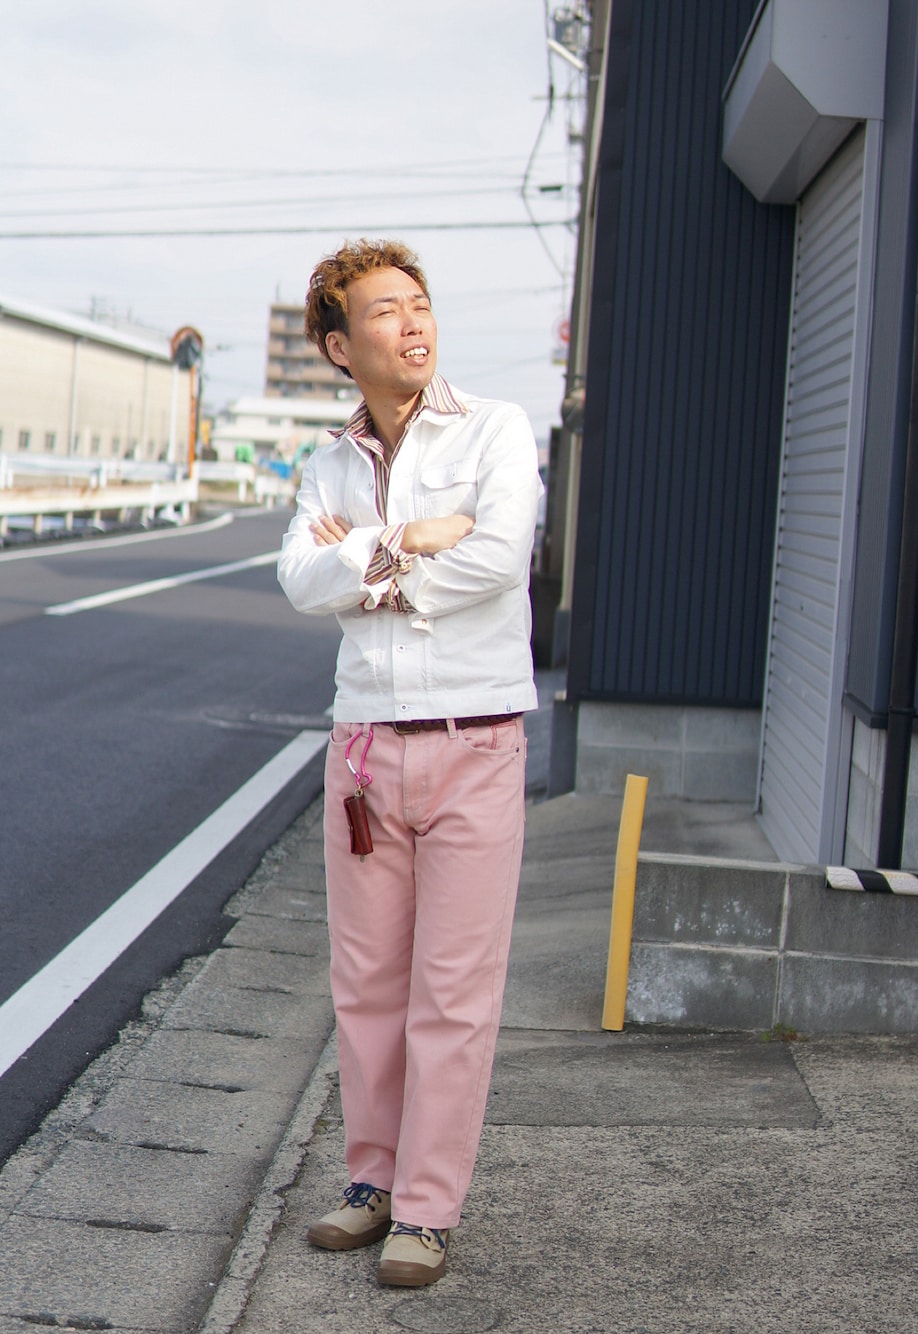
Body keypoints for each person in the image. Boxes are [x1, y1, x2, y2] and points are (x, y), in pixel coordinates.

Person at [277, 238, 541, 1288]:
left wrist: (364, 561)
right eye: (385, 311)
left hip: (475, 738)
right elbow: (300, 580)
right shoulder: (329, 463)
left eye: (419, 302)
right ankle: (370, 1182)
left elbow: (499, 557)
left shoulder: (495, 427)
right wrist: (408, 540)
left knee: (454, 993)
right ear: (341, 346)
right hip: (363, 748)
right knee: (367, 985)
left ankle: (426, 1210)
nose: (413, 322)